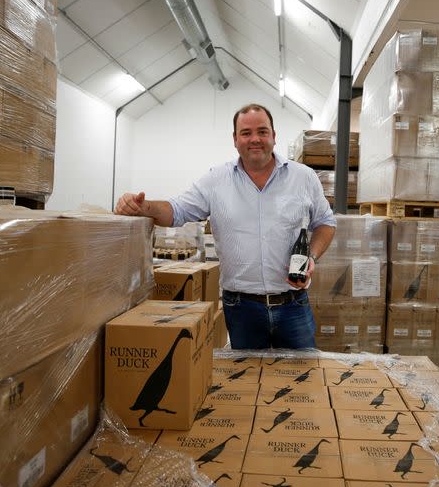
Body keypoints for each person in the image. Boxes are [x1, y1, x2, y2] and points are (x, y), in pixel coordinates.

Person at [115, 103, 336, 349]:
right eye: (246, 133)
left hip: (293, 305)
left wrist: (312, 256)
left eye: (262, 132)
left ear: (274, 136)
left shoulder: (303, 177)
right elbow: (177, 210)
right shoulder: (216, 180)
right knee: (247, 383)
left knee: (301, 379)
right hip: (242, 309)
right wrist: (143, 207)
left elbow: (326, 222)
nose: (255, 139)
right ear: (235, 139)